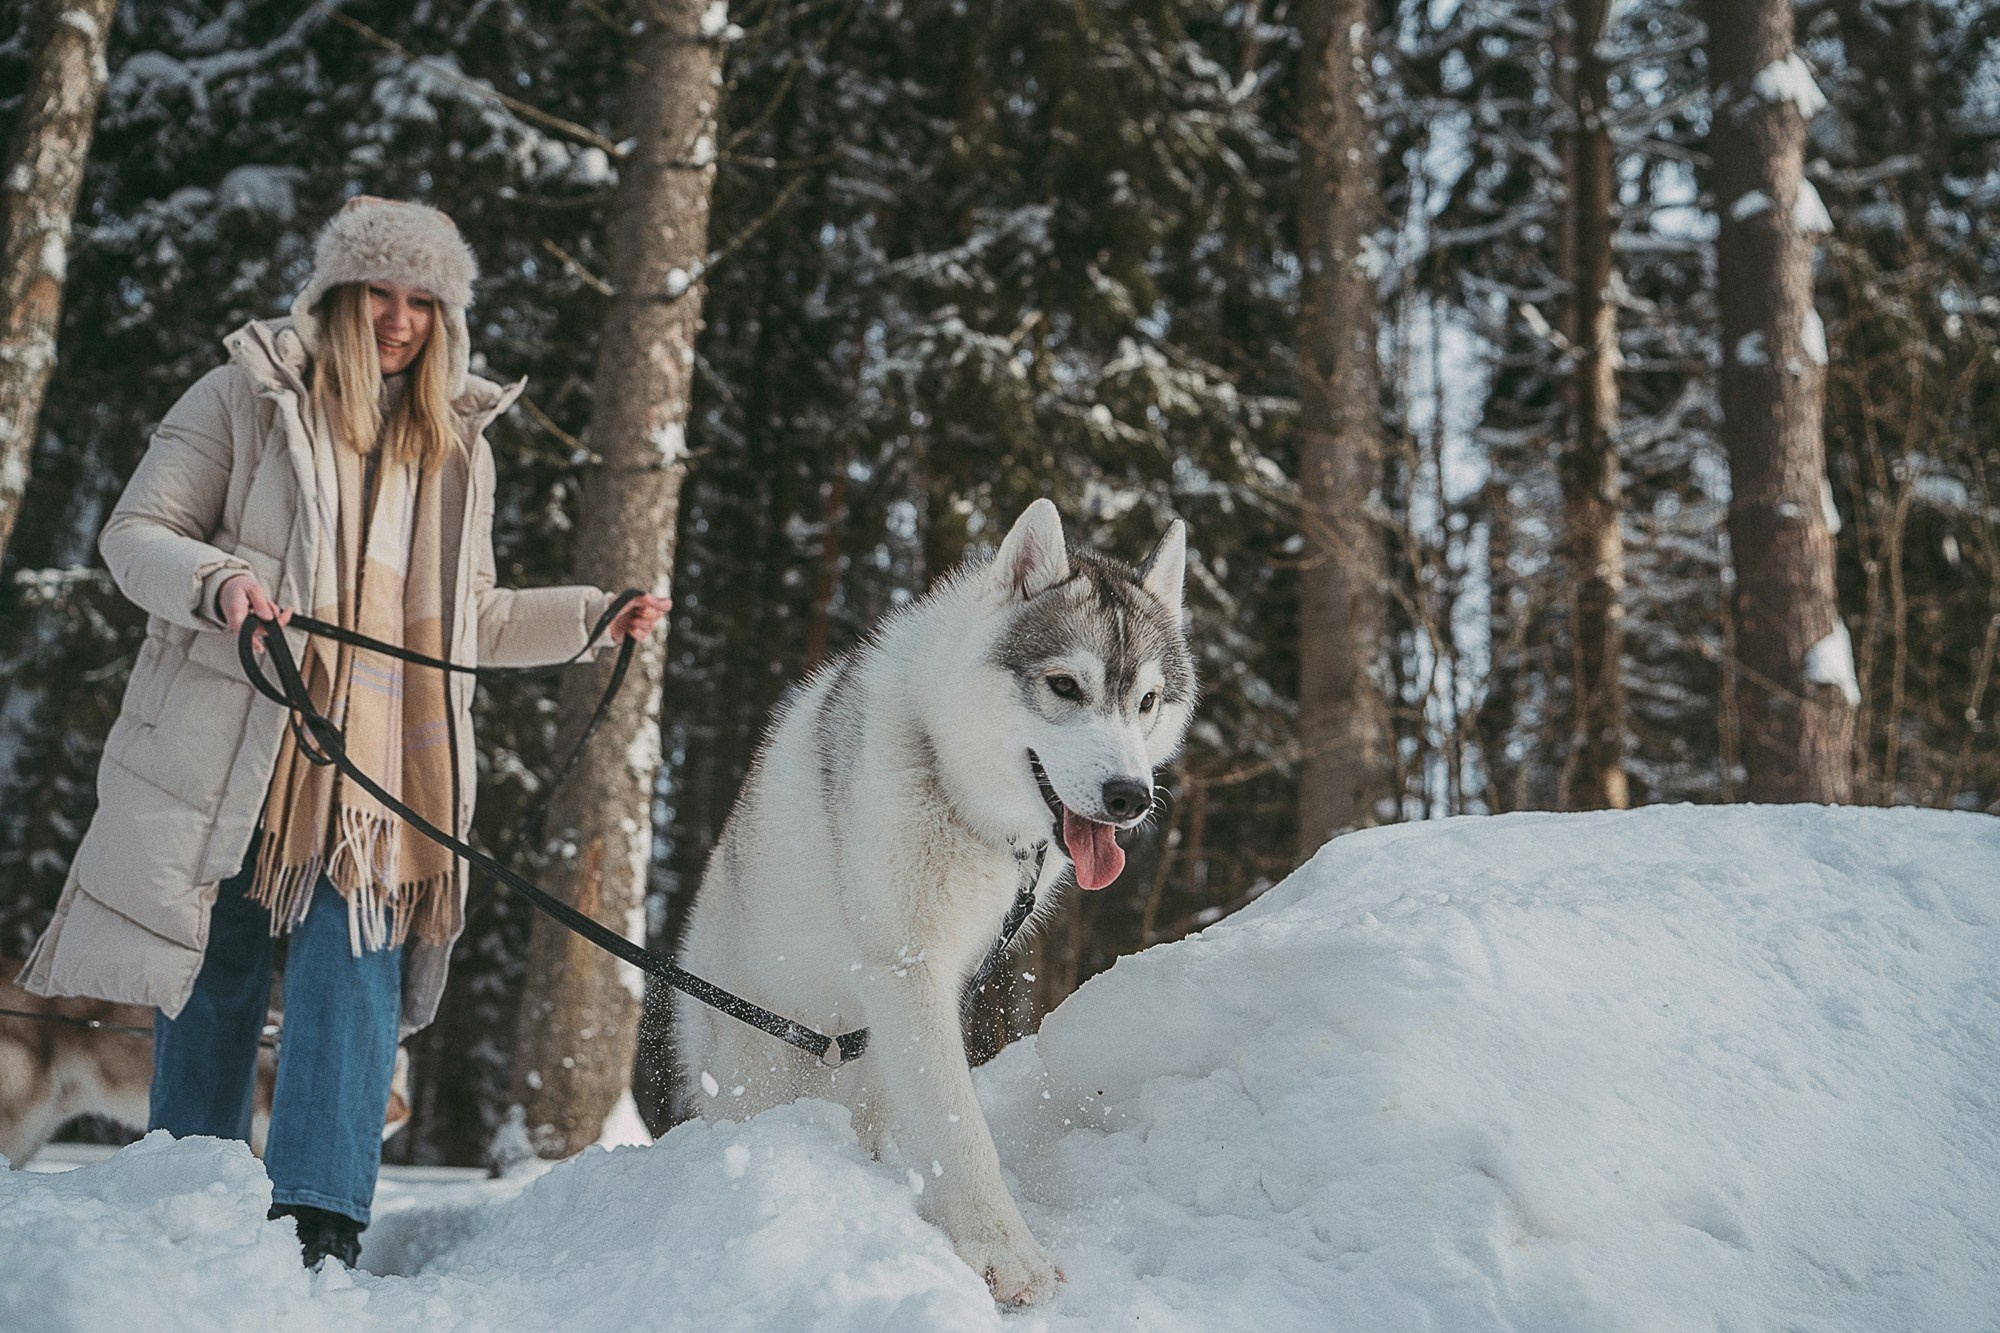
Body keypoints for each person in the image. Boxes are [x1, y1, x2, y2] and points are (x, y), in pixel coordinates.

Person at [16, 199, 669, 1268]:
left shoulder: (453, 444)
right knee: (218, 964)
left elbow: (472, 618)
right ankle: (189, 1198)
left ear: (446, 317)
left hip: (375, 765)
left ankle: (320, 1220)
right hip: (241, 734)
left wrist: (593, 618)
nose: (399, 319)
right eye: (380, 293)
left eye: (423, 301)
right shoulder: (245, 394)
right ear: (335, 295)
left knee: (356, 966)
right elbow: (136, 534)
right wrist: (219, 582)